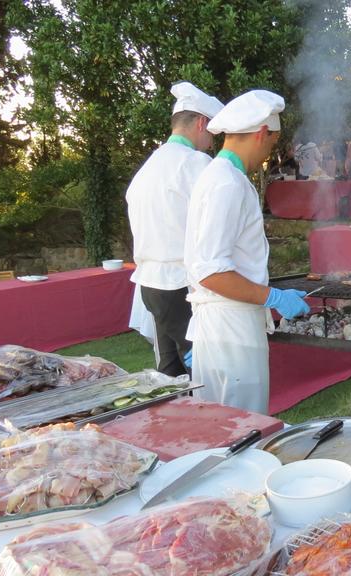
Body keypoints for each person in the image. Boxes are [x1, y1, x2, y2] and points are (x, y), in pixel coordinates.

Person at [183, 89, 310, 414]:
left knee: (220, 426)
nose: (268, 153)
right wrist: (273, 297)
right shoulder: (227, 183)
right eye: (270, 143)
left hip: (222, 326)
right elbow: (211, 271)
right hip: (231, 329)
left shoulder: (216, 176)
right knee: (243, 430)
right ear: (261, 133)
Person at [125, 81, 223, 377]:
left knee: (170, 371)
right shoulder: (196, 164)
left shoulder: (149, 167)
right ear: (201, 123)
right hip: (180, 286)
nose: (211, 142)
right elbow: (215, 225)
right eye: (212, 134)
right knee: (204, 372)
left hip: (151, 287)